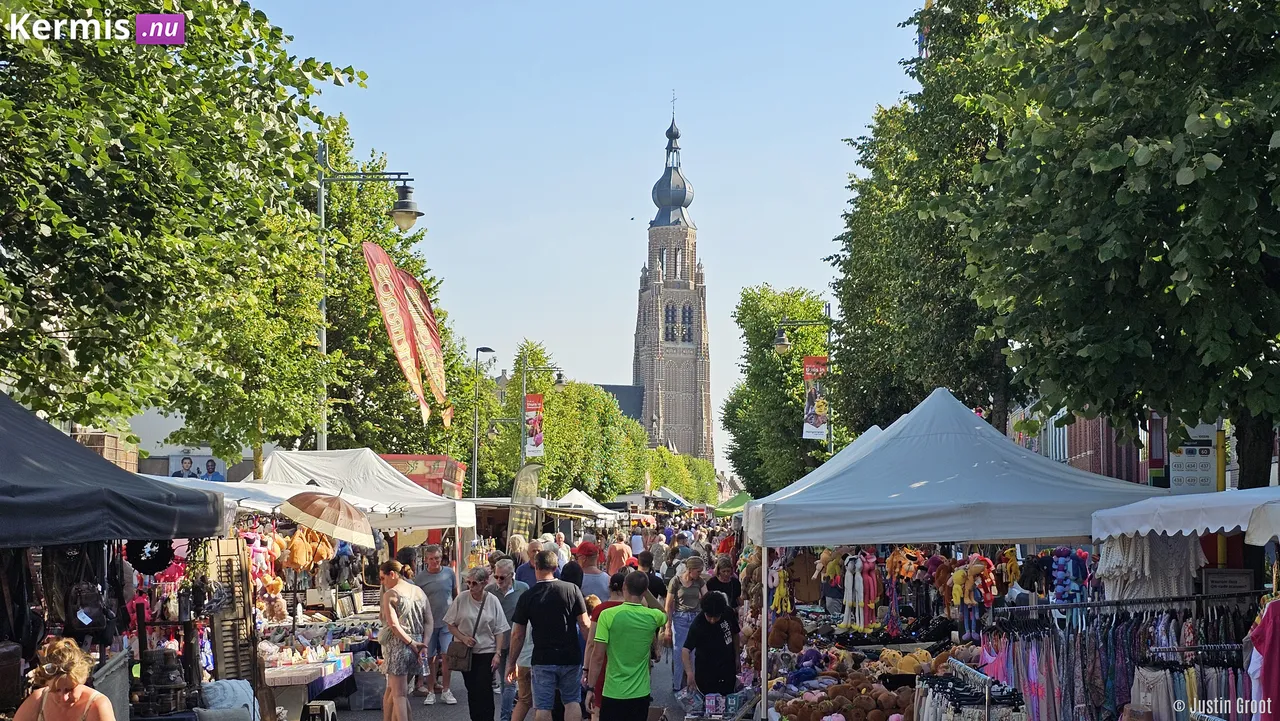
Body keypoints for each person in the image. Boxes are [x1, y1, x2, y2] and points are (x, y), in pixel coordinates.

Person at [507, 550, 591, 721]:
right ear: (555, 567)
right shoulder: (572, 590)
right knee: (572, 701)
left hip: (542, 658)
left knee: (543, 706)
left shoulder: (528, 596)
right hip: (570, 656)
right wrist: (589, 654)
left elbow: (518, 634)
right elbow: (584, 624)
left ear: (536, 567)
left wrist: (512, 662)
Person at [588, 572, 667, 721]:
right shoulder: (652, 616)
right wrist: (646, 591)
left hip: (613, 691)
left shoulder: (607, 615)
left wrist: (590, 688)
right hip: (640, 693)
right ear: (644, 591)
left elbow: (598, 657)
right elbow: (663, 612)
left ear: (624, 586)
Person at [445, 566, 510, 721]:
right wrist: (463, 637)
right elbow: (450, 624)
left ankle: (487, 718)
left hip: (486, 652)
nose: (470, 586)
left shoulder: (492, 600)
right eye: (468, 583)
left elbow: (499, 629)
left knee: (484, 689)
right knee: (472, 690)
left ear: (484, 583)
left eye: (474, 583)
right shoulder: (461, 598)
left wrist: (497, 653)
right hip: (466, 653)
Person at [375, 561, 429, 721]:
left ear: (392, 574)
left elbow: (393, 624)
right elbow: (429, 620)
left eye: (382, 578)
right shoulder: (418, 591)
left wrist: (411, 643)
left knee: (399, 695)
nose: (382, 583)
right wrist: (423, 643)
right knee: (393, 691)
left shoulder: (391, 594)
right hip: (418, 645)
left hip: (399, 646)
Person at [14, 639, 116, 721]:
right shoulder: (38, 700)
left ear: (81, 680)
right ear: (47, 684)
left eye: (69, 690)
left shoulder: (97, 706)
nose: (63, 698)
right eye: (56, 690)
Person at [413, 544, 457, 705]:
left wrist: (456, 616)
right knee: (430, 658)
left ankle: (446, 690)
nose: (435, 562)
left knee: (446, 656)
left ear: (441, 558)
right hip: (428, 624)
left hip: (447, 622)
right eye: (431, 559)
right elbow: (416, 602)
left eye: (437, 558)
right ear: (426, 560)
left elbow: (455, 594)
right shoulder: (420, 579)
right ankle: (430, 691)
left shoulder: (449, 573)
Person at [681, 585, 740, 697]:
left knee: (727, 700)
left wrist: (737, 657)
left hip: (727, 666)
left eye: (716, 617)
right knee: (709, 703)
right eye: (709, 616)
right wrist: (689, 673)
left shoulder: (728, 613)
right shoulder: (698, 624)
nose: (712, 620)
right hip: (705, 670)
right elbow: (685, 650)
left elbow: (735, 633)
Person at [491, 560, 529, 721]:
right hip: (496, 644)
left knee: (509, 683)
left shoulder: (523, 589)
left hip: (516, 642)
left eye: (502, 577)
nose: (498, 581)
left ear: (512, 576)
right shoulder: (490, 590)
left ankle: (505, 717)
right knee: (503, 681)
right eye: (496, 577)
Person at [583, 573, 626, 718]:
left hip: (602, 665)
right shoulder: (632, 609)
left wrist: (586, 669)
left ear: (609, 587)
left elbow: (591, 643)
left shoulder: (600, 609)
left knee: (597, 708)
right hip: (626, 664)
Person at [664, 555, 707, 692]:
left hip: (695, 617)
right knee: (678, 652)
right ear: (690, 569)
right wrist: (667, 626)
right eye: (698, 571)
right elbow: (668, 605)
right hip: (680, 618)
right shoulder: (676, 581)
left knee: (693, 653)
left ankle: (691, 684)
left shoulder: (699, 581)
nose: (700, 574)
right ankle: (677, 685)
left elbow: (707, 598)